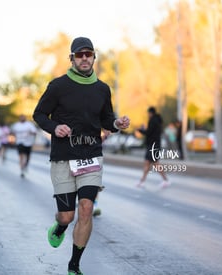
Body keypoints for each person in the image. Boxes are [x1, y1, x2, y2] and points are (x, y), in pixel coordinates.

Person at [33, 36, 130, 275]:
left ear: (94, 57)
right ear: (72, 58)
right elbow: (39, 114)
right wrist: (55, 127)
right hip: (64, 157)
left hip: (91, 156)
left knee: (86, 208)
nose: (84, 58)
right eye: (80, 55)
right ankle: (60, 227)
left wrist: (116, 123)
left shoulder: (102, 89)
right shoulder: (58, 86)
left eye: (88, 54)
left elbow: (106, 118)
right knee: (67, 215)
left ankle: (74, 266)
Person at [136, 106, 170, 188]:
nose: (148, 115)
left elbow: (149, 132)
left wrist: (141, 130)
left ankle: (165, 180)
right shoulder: (158, 121)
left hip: (152, 146)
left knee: (154, 164)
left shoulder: (153, 121)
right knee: (148, 163)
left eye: (148, 113)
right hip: (154, 145)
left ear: (151, 113)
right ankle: (142, 181)